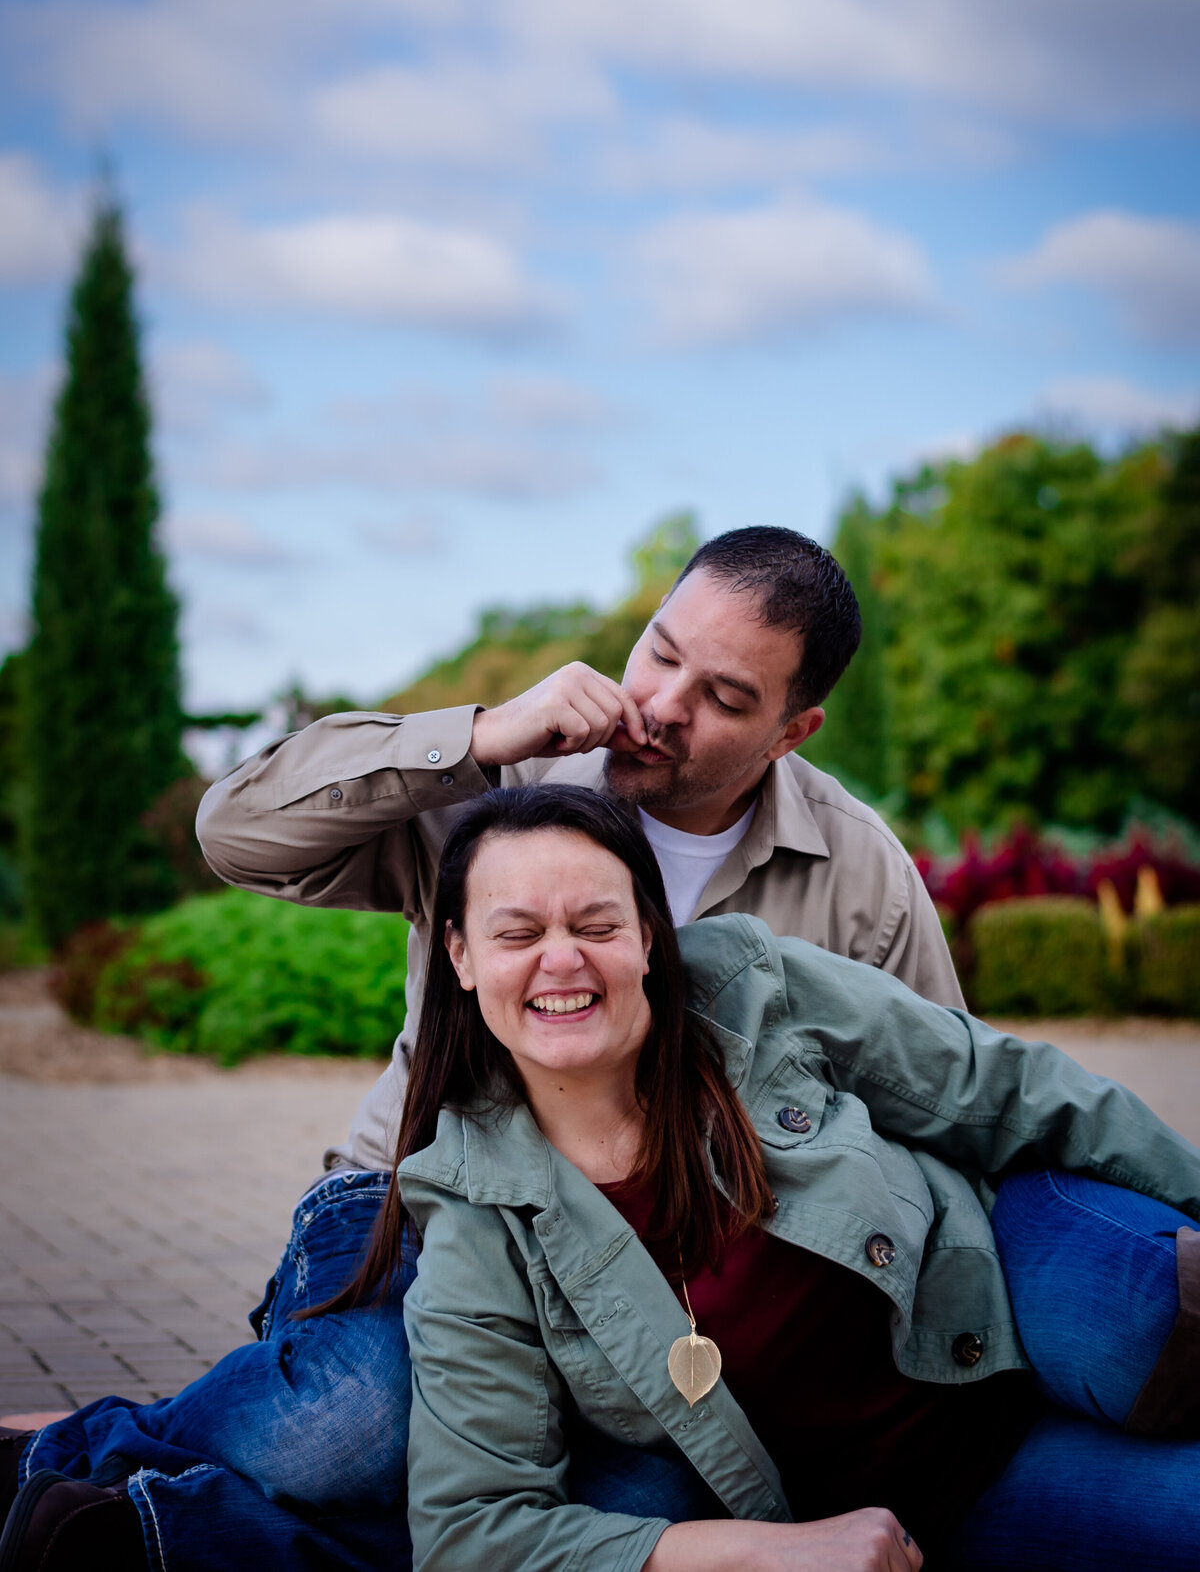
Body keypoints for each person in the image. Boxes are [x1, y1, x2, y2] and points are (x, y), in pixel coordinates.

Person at [5, 528, 965, 1569]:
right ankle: (60, 1458)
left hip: (652, 1284)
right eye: (661, 651)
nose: (664, 703)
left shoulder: (860, 873)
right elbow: (232, 832)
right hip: (412, 1204)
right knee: (370, 1417)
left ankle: (144, 1537)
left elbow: (938, 1106)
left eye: (725, 699)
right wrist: (481, 734)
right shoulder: (505, 773)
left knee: (629, 1495)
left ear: (793, 730)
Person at [385, 786, 1197, 1570]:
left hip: (996, 1317)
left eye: (597, 923)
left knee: (1152, 1308)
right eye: (518, 933)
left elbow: (1006, 1087)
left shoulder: (750, 989)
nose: (562, 959)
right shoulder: (473, 1200)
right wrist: (771, 1555)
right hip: (943, 1509)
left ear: (646, 936)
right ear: (459, 954)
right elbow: (471, 1531)